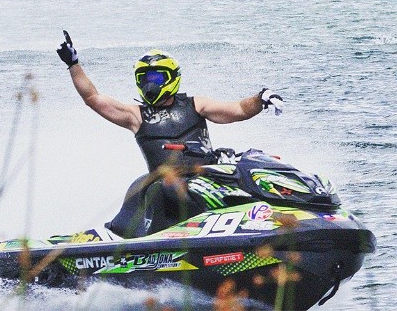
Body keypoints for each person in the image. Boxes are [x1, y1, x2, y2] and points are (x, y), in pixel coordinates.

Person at [56, 30, 283, 238]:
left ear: (171, 78)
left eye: (156, 78)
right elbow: (93, 98)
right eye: (144, 78)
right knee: (165, 187)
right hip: (167, 188)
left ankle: (278, 213)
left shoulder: (196, 105)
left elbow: (239, 109)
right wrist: (73, 64)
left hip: (207, 176)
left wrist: (261, 98)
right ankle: (156, 242)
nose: (149, 84)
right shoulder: (135, 116)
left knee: (249, 166)